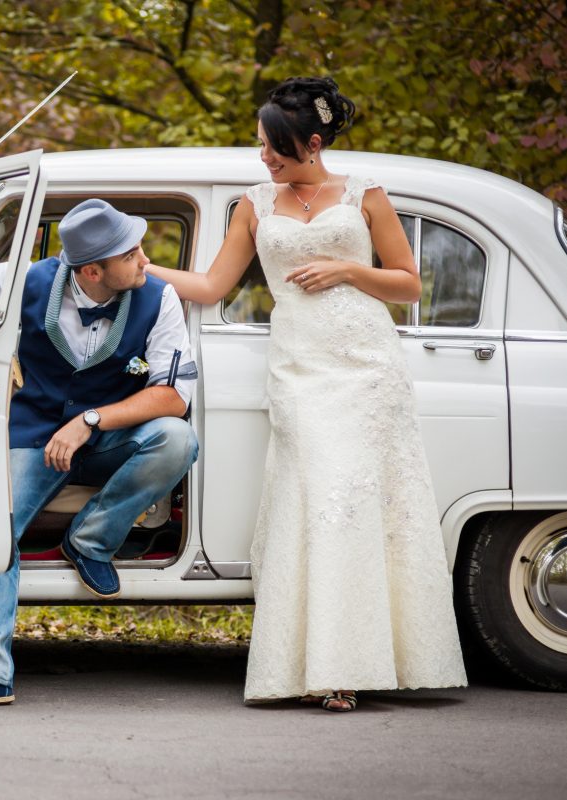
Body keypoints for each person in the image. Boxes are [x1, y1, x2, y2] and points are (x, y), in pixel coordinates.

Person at [146, 77, 467, 711]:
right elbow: (212, 286)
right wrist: (139, 266)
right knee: (318, 498)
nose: (262, 157)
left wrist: (348, 269)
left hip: (368, 365)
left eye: (272, 147)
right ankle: (319, 660)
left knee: (361, 507)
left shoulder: (365, 195)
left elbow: (409, 286)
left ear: (311, 144)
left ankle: (356, 665)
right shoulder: (254, 204)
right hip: (299, 366)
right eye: (261, 145)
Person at [0, 199, 199, 706]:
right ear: (93, 270)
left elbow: (173, 397)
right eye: (131, 253)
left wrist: (89, 421)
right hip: (33, 438)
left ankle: (90, 541)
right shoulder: (26, 279)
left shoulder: (160, 297)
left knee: (178, 440)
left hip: (105, 436)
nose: (144, 259)